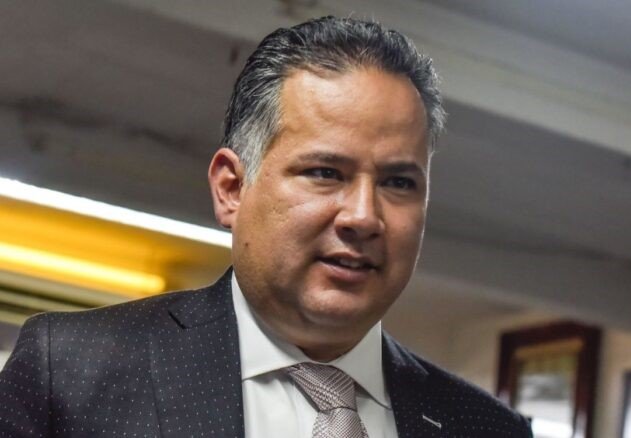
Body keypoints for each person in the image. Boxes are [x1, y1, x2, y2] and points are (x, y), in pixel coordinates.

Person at [0, 16, 532, 438]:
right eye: (325, 173)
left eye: (398, 183)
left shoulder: (488, 429)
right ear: (232, 188)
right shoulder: (71, 372)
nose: (364, 217)